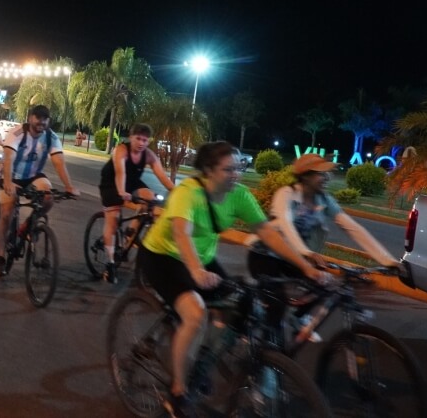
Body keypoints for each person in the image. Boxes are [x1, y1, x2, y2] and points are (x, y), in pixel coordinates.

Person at [137, 141, 330, 417]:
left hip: (201, 259)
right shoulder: (187, 193)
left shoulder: (238, 194)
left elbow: (268, 233)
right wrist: (195, 272)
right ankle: (178, 391)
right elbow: (181, 232)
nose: (236, 174)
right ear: (208, 170)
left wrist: (305, 265)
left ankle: (201, 357)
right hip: (164, 257)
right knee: (195, 313)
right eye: (228, 169)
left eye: (239, 168)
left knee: (240, 304)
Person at [247, 153, 400, 337]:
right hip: (264, 254)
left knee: (325, 284)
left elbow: (352, 228)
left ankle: (298, 318)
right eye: (321, 173)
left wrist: (387, 260)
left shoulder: (324, 200)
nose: (327, 177)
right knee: (277, 303)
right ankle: (268, 357)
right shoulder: (286, 194)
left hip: (293, 257)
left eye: (327, 173)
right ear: (305, 176)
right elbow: (286, 224)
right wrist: (306, 252)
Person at [0, 105, 80, 275]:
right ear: (30, 118)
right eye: (37, 117)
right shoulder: (17, 133)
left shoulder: (51, 137)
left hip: (34, 175)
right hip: (13, 175)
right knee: (6, 213)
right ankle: (0, 254)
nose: (41, 121)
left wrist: (69, 186)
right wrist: (8, 182)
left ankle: (27, 225)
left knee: (48, 197)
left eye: (45, 118)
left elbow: (59, 162)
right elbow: (9, 158)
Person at [98, 123, 175, 284]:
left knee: (150, 198)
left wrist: (178, 193)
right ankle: (110, 264)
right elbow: (120, 173)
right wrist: (121, 193)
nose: (141, 143)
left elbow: (163, 177)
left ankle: (130, 232)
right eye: (138, 138)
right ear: (130, 138)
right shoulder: (121, 150)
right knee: (113, 219)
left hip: (132, 182)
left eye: (145, 140)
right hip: (111, 183)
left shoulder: (149, 155)